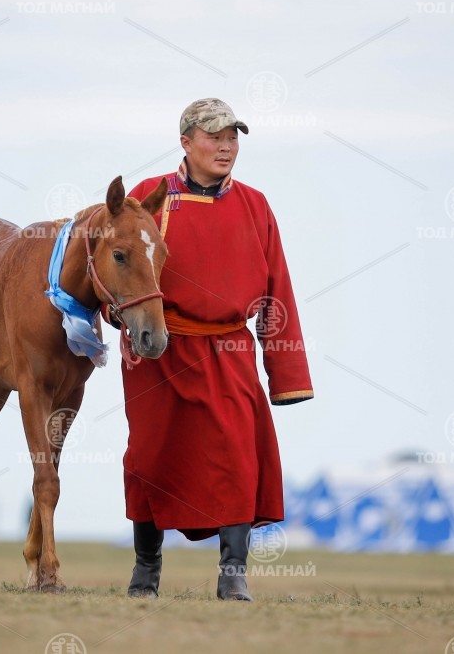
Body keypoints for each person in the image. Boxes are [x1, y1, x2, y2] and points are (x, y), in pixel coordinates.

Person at [121, 98, 314, 601]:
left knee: (236, 457)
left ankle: (233, 575)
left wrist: (287, 372)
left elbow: (277, 288)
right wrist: (118, 319)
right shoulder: (148, 197)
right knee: (149, 458)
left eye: (232, 137)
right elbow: (118, 265)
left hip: (229, 348)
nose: (226, 146)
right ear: (186, 142)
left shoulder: (255, 205)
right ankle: (146, 571)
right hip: (159, 347)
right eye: (214, 137)